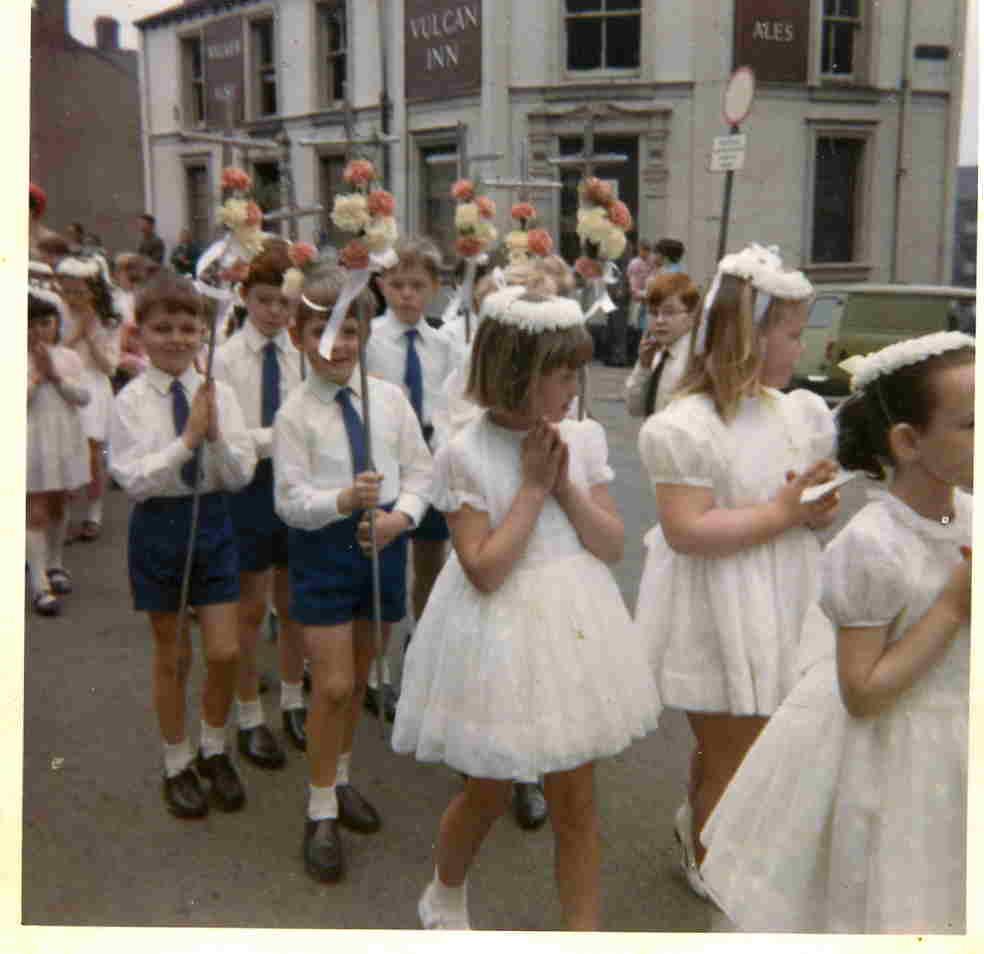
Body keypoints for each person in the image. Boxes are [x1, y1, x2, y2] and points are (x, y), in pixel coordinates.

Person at [392, 283, 661, 931]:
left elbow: (610, 542)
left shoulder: (584, 440)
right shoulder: (464, 454)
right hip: (496, 635)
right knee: (486, 791)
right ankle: (445, 892)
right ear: (516, 373)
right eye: (561, 374)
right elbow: (483, 569)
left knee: (576, 801)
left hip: (572, 629)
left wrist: (563, 481)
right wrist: (534, 489)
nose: (574, 386)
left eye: (576, 371)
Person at [701, 331, 974, 933]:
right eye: (970, 424)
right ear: (907, 442)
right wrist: (953, 608)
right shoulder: (873, 546)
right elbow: (864, 692)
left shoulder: (971, 514)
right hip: (891, 760)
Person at [635, 244, 841, 900]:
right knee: (734, 747)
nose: (800, 349)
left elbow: (801, 511)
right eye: (791, 334)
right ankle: (714, 867)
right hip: (716, 608)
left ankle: (700, 829)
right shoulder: (687, 427)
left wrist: (813, 509)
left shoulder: (795, 413)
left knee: (754, 737)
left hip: (780, 600)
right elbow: (687, 528)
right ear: (750, 336)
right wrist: (783, 512)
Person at [273, 269, 432, 883]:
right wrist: (341, 501)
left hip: (383, 542)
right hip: (323, 548)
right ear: (300, 336)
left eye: (349, 332)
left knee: (361, 674)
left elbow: (421, 473)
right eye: (323, 332)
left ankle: (338, 781)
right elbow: (288, 501)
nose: (337, 346)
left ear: (366, 332)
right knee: (335, 686)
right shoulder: (295, 415)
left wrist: (402, 518)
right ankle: (319, 809)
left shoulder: (389, 399)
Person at [108, 271, 258, 818]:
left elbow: (240, 473)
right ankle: (177, 759)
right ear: (140, 333)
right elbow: (133, 479)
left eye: (188, 327)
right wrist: (187, 441)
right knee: (173, 655)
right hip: (159, 527)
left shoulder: (219, 393)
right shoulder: (130, 401)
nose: (176, 338)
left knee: (225, 650)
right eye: (162, 328)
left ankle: (215, 747)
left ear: (202, 332)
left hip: (214, 520)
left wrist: (215, 435)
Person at [212, 239, 306, 767]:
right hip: (246, 487)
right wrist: (280, 436)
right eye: (266, 299)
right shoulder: (225, 360)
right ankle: (249, 713)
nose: (274, 312)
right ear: (246, 296)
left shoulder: (299, 356)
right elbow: (231, 438)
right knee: (250, 606)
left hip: (292, 484)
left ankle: (292, 699)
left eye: (284, 303)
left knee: (293, 603)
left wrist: (278, 439)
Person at [365, 237, 454, 717]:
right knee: (387, 559)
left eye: (417, 286)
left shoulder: (443, 344)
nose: (406, 295)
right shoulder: (371, 340)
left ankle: (420, 648)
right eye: (396, 285)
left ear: (434, 289)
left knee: (430, 559)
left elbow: (449, 402)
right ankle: (376, 668)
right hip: (387, 456)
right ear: (381, 285)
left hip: (431, 456)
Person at [26, 290, 90, 616]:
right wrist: (37, 378)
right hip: (31, 439)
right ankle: (39, 584)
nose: (39, 330)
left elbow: (83, 397)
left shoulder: (69, 357)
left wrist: (56, 376)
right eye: (32, 324)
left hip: (64, 437)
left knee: (60, 502)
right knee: (34, 510)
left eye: (45, 323)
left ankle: (55, 563)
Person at [56, 256, 122, 543]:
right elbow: (52, 351)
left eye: (78, 291)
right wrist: (76, 333)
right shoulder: (57, 314)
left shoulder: (107, 320)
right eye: (67, 290)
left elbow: (110, 366)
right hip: (64, 385)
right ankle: (63, 517)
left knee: (93, 451)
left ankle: (93, 513)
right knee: (66, 451)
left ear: (93, 291)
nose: (71, 298)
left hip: (93, 386)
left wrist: (90, 334)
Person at [624, 272, 700, 418]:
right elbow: (634, 408)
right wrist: (643, 366)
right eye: (653, 312)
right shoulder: (657, 354)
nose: (659, 320)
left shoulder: (695, 359)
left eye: (669, 312)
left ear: (691, 315)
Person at [625, 239, 658, 334]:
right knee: (638, 329)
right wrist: (644, 295)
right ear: (639, 250)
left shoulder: (653, 262)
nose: (646, 253)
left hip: (649, 300)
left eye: (648, 250)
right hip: (639, 302)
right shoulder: (634, 264)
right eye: (644, 250)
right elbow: (633, 288)